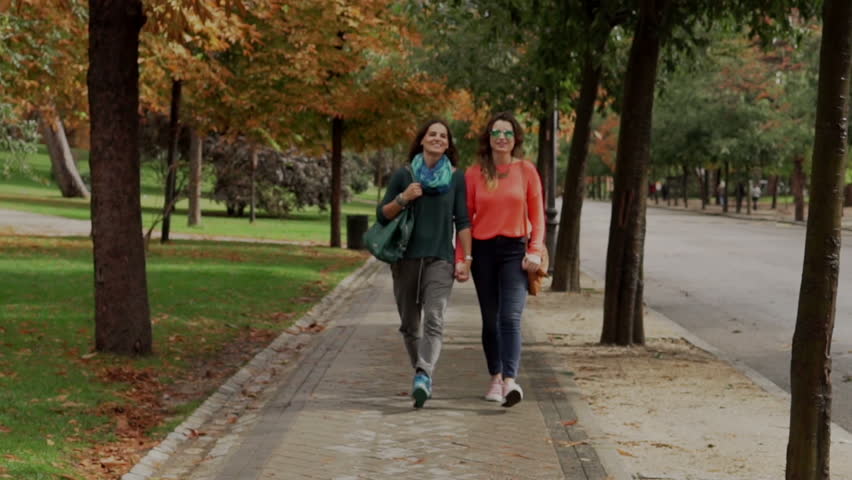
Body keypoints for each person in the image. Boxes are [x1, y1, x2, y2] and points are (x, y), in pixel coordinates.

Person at [376, 119, 472, 408]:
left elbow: (464, 221)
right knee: (409, 325)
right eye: (432, 134)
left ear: (448, 144)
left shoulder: (456, 178)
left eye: (443, 136)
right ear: (422, 140)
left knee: (434, 319)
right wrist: (404, 198)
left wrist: (466, 259)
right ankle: (422, 372)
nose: (438, 138)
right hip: (405, 259)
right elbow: (383, 216)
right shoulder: (404, 175)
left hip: (440, 259)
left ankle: (423, 375)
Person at [456, 112, 544, 408]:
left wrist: (534, 249)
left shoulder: (527, 171)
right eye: (496, 132)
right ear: (489, 138)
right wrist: (463, 258)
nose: (502, 137)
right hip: (483, 252)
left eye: (507, 133)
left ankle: (509, 380)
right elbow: (464, 219)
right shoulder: (473, 173)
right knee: (491, 321)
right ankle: (494, 376)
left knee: (510, 317)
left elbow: (538, 216)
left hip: (514, 252)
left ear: (516, 138)